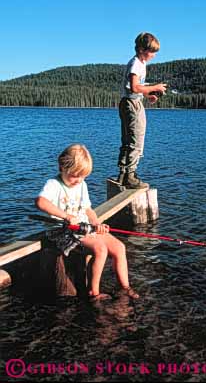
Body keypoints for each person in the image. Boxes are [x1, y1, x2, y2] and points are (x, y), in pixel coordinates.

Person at [35, 144, 139, 300]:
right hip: (62, 231)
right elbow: (40, 202)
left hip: (83, 228)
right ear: (62, 167)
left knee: (119, 247)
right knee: (100, 249)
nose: (78, 180)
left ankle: (125, 287)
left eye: (82, 176)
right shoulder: (53, 184)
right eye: (75, 176)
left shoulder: (81, 184)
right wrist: (66, 216)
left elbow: (88, 209)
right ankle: (94, 292)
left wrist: (97, 223)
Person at [117, 32, 167, 189]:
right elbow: (134, 87)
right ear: (141, 49)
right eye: (151, 51)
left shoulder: (139, 64)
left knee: (128, 140)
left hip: (130, 101)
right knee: (136, 140)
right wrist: (156, 87)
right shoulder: (136, 64)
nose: (153, 55)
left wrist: (149, 94)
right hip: (132, 104)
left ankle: (124, 175)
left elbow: (136, 89)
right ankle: (129, 176)